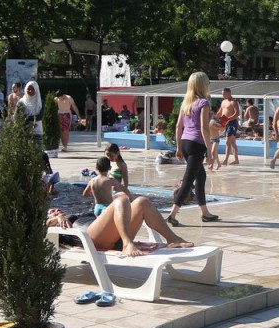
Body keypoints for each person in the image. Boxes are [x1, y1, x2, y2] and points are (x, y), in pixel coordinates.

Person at [57, 194, 195, 258]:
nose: (56, 210)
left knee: (142, 202)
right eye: (52, 210)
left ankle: (172, 239)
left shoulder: (80, 214)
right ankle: (127, 244)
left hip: (113, 233)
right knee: (121, 200)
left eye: (57, 210)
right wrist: (56, 218)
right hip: (89, 236)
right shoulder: (59, 222)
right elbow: (45, 227)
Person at [167, 72, 218, 225]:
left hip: (185, 142)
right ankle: (172, 215)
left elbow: (178, 126)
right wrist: (209, 149)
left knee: (200, 176)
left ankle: (205, 213)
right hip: (197, 144)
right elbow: (204, 127)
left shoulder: (186, 103)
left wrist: (178, 147)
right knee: (188, 181)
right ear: (203, 85)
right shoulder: (203, 103)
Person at [217, 87, 240, 166]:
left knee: (228, 141)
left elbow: (237, 113)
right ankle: (236, 160)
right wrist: (214, 118)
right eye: (222, 94)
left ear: (229, 93)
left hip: (232, 123)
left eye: (224, 94)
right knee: (232, 142)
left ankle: (226, 160)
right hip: (225, 123)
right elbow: (220, 112)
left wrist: (228, 119)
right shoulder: (223, 102)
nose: (222, 95)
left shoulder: (234, 102)